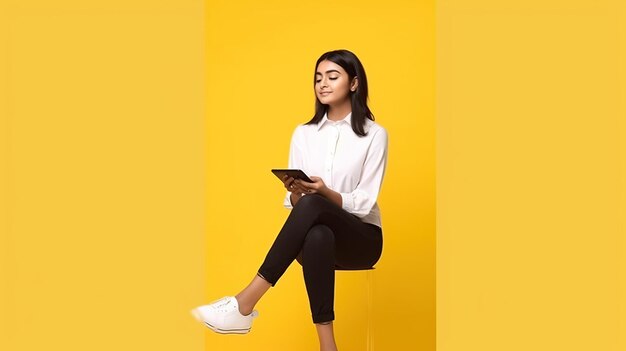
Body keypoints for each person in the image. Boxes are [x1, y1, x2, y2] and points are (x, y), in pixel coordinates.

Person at [191, 49, 388, 351]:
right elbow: (296, 205)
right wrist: (297, 192)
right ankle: (328, 346)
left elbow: (363, 202)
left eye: (332, 76)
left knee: (315, 205)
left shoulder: (374, 134)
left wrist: (323, 193)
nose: (323, 83)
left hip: (361, 241)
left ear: (354, 83)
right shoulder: (303, 134)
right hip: (316, 240)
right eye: (318, 78)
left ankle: (245, 303)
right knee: (318, 232)